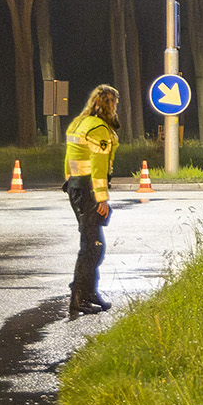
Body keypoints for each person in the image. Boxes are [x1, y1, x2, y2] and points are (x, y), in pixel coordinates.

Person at [63, 84, 119, 317]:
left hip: (77, 186)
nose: (117, 108)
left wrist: (69, 182)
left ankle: (90, 292)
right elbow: (98, 167)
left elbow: (70, 158)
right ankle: (78, 297)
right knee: (92, 247)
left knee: (93, 244)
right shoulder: (98, 128)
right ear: (109, 104)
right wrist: (102, 198)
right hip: (88, 190)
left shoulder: (79, 122)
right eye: (115, 103)